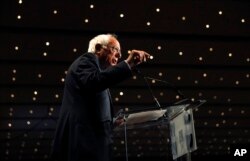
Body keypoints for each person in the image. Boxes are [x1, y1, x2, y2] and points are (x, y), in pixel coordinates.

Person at [51, 34, 150, 161]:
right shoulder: (86, 60)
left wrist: (111, 122)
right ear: (98, 48)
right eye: (116, 50)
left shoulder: (98, 72)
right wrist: (127, 64)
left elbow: (92, 104)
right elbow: (94, 82)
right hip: (82, 146)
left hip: (91, 145)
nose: (119, 56)